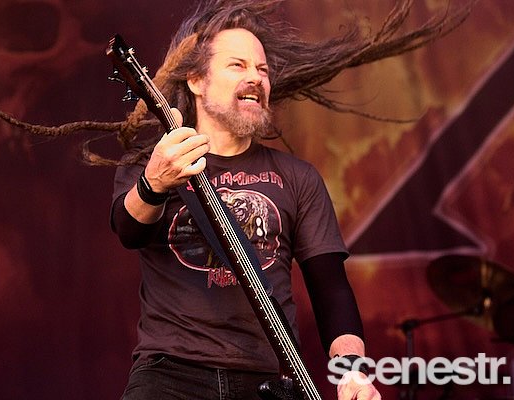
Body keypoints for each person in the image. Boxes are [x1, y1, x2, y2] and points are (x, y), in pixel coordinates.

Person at [109, 2, 391, 399]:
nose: (255, 78)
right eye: (237, 65)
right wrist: (154, 183)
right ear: (196, 80)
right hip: (170, 374)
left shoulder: (297, 177)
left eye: (262, 70)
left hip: (267, 377)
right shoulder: (156, 161)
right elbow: (129, 230)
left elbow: (331, 289)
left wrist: (353, 373)